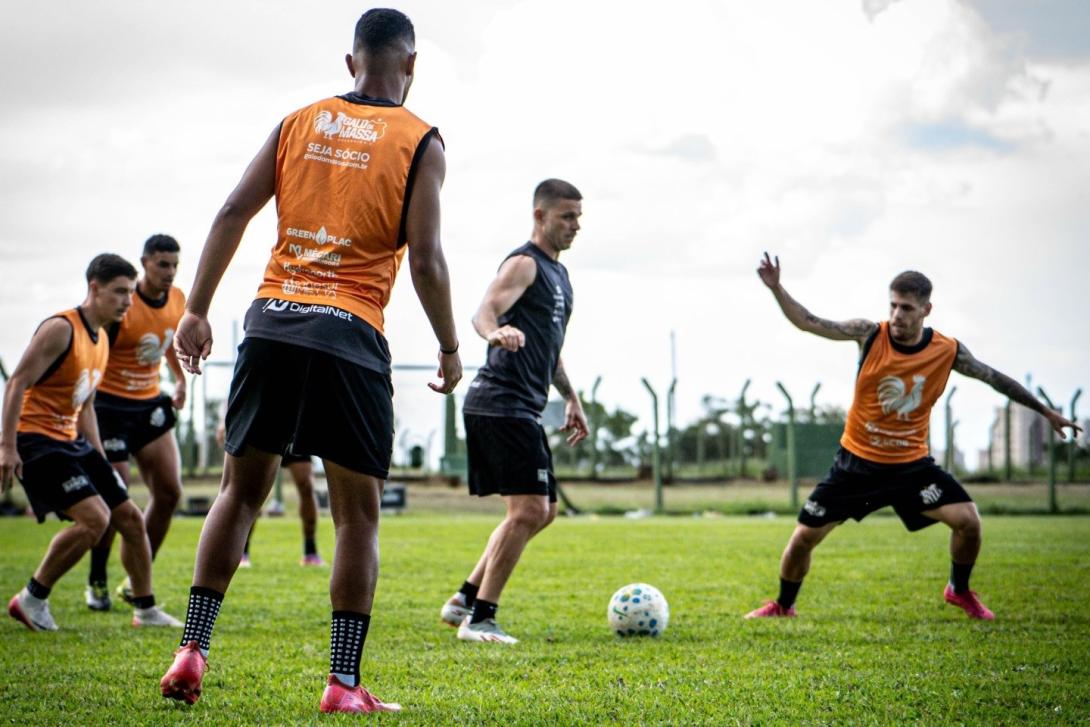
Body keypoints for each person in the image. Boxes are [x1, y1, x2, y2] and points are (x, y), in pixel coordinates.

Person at [159, 9, 461, 714]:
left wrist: (196, 310)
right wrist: (449, 345)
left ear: (351, 61)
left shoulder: (299, 120)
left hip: (272, 322)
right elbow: (428, 258)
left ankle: (192, 649)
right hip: (349, 334)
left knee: (239, 492)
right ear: (409, 67)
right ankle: (343, 682)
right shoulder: (421, 140)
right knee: (356, 517)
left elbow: (234, 209)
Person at [745, 253, 1082, 621]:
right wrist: (777, 288)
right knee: (802, 539)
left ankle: (959, 589)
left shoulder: (947, 350)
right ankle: (783, 606)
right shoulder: (868, 333)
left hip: (910, 468)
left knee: (969, 522)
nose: (897, 315)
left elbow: (995, 378)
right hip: (855, 464)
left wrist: (1045, 411)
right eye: (893, 305)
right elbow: (809, 322)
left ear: (926, 309)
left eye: (906, 307)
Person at [439, 179, 589, 644]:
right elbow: (485, 310)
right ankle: (480, 618)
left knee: (544, 511)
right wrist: (493, 334)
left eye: (578, 217)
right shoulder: (525, 263)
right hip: (499, 402)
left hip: (521, 405)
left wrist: (571, 397)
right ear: (540, 216)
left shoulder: (560, 277)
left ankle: (465, 598)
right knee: (527, 509)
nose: (575, 226)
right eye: (567, 216)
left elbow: (550, 350)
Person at [1, 254, 181, 631]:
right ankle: (32, 598)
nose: (127, 302)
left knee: (130, 517)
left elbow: (85, 407)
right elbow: (17, 381)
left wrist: (98, 459)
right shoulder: (60, 328)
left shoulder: (100, 339)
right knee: (95, 521)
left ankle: (145, 609)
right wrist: (7, 446)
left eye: (130, 293)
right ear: (94, 288)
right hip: (37, 441)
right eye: (119, 292)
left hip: (73, 442)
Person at [86, 234, 187, 611]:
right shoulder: (123, 306)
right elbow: (94, 350)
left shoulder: (178, 299)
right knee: (117, 496)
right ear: (145, 263)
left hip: (149, 405)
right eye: (163, 264)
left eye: (175, 265)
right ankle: (97, 580)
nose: (170, 272)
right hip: (109, 407)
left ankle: (136, 578)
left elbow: (170, 341)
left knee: (170, 492)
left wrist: (178, 379)